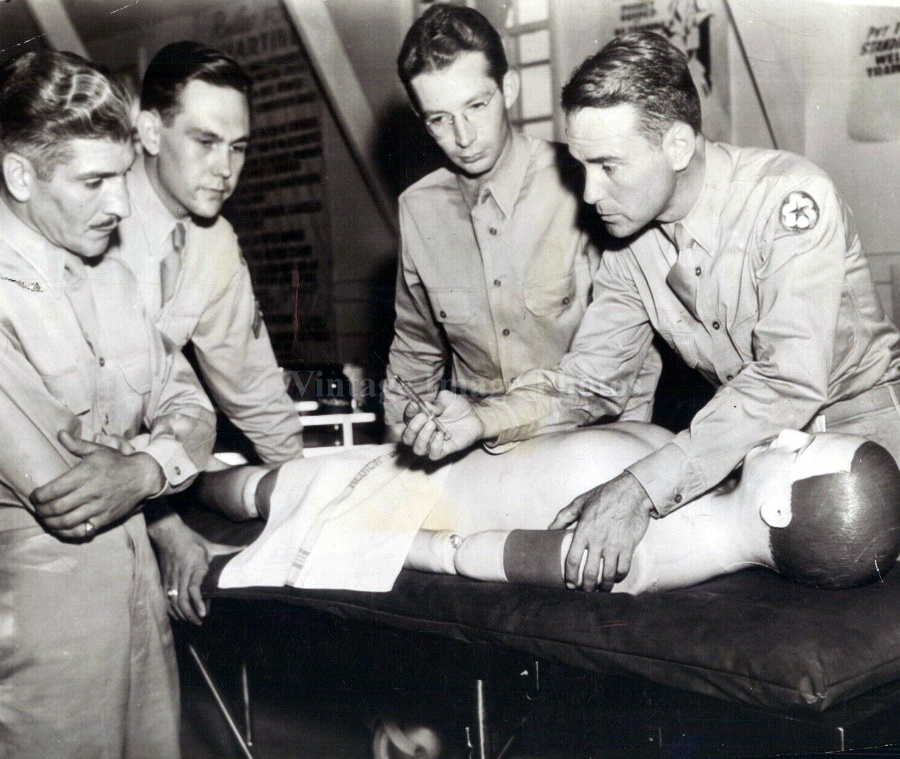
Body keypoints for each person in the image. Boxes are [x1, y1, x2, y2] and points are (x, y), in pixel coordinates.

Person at [401, 31, 900, 594]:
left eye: (609, 165)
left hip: (867, 453)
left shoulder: (787, 199)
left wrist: (640, 489)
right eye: (580, 165)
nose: (589, 194)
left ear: (678, 147)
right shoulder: (631, 246)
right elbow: (591, 382)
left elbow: (787, 379)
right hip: (748, 453)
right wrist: (485, 418)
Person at [0, 50, 216, 757]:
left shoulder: (114, 280)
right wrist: (159, 454)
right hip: (40, 636)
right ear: (20, 175)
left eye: (122, 179)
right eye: (94, 182)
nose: (121, 205)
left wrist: (145, 470)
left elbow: (193, 405)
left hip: (141, 612)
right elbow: (67, 492)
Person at [383, 4, 660, 439]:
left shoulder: (584, 184)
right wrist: (397, 459)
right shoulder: (419, 209)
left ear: (508, 88)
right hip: (481, 448)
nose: (464, 136)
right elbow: (415, 352)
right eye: (440, 119)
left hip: (594, 438)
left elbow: (629, 351)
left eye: (476, 105)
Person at [194, 426, 900, 595]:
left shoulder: (634, 558)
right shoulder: (695, 470)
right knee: (242, 477)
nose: (788, 431)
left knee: (237, 489)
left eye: (802, 444)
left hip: (385, 493)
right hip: (416, 457)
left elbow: (463, 552)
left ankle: (176, 484)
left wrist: (364, 533)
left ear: (777, 507)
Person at [111, 41, 304, 623]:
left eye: (238, 147)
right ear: (149, 131)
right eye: (204, 141)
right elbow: (74, 408)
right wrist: (166, 532)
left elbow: (254, 387)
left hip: (136, 478)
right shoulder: (94, 221)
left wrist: (310, 496)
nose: (225, 169)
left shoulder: (212, 242)